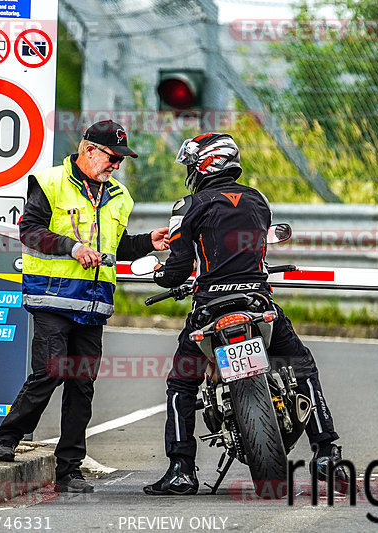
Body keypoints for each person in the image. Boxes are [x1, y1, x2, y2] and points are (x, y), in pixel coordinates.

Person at [143, 133, 349, 496]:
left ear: (204, 165)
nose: (190, 171)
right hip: (257, 303)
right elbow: (257, 245)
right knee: (302, 367)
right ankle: (326, 451)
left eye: (192, 164)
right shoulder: (259, 200)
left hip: (209, 308)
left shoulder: (186, 206)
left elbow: (178, 268)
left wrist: (161, 275)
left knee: (181, 384)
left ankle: (181, 469)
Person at [0, 120, 170, 494]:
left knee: (82, 385)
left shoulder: (120, 195)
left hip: (94, 303)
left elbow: (114, 247)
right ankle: (8, 435)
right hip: (52, 296)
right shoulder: (50, 181)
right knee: (51, 371)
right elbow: (30, 231)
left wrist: (147, 243)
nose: (116, 165)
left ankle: (69, 467)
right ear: (88, 150)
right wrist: (72, 248)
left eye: (120, 159)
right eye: (111, 157)